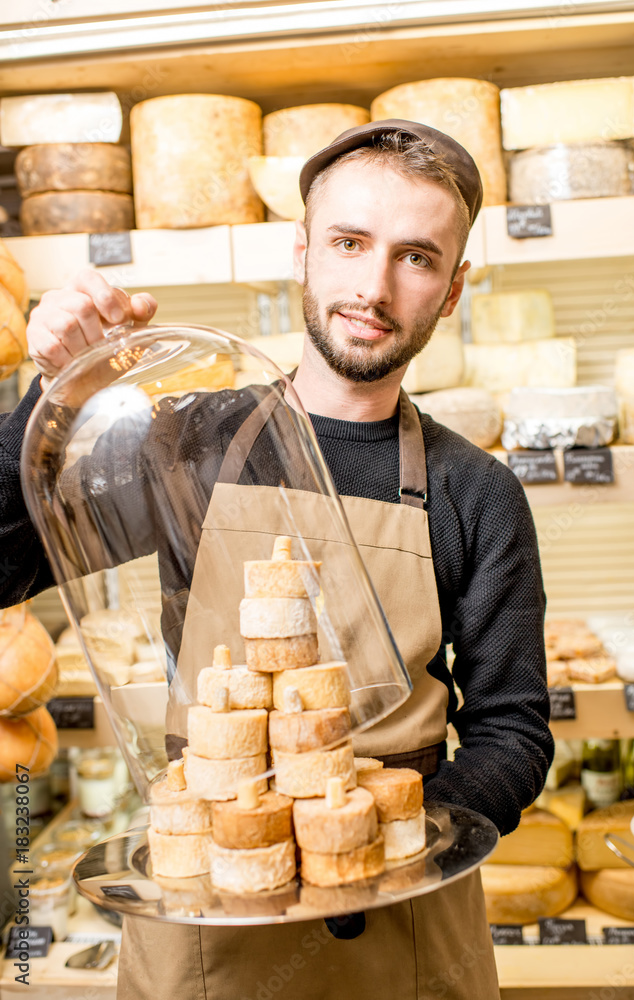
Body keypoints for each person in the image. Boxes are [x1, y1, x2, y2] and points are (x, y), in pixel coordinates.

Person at [0, 120, 553, 999]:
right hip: (205, 906)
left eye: (415, 257)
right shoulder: (193, 442)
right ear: (302, 251)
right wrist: (54, 400)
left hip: (405, 922)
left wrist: (377, 847)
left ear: (452, 290)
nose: (372, 287)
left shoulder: (475, 491)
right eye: (347, 242)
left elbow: (513, 731)